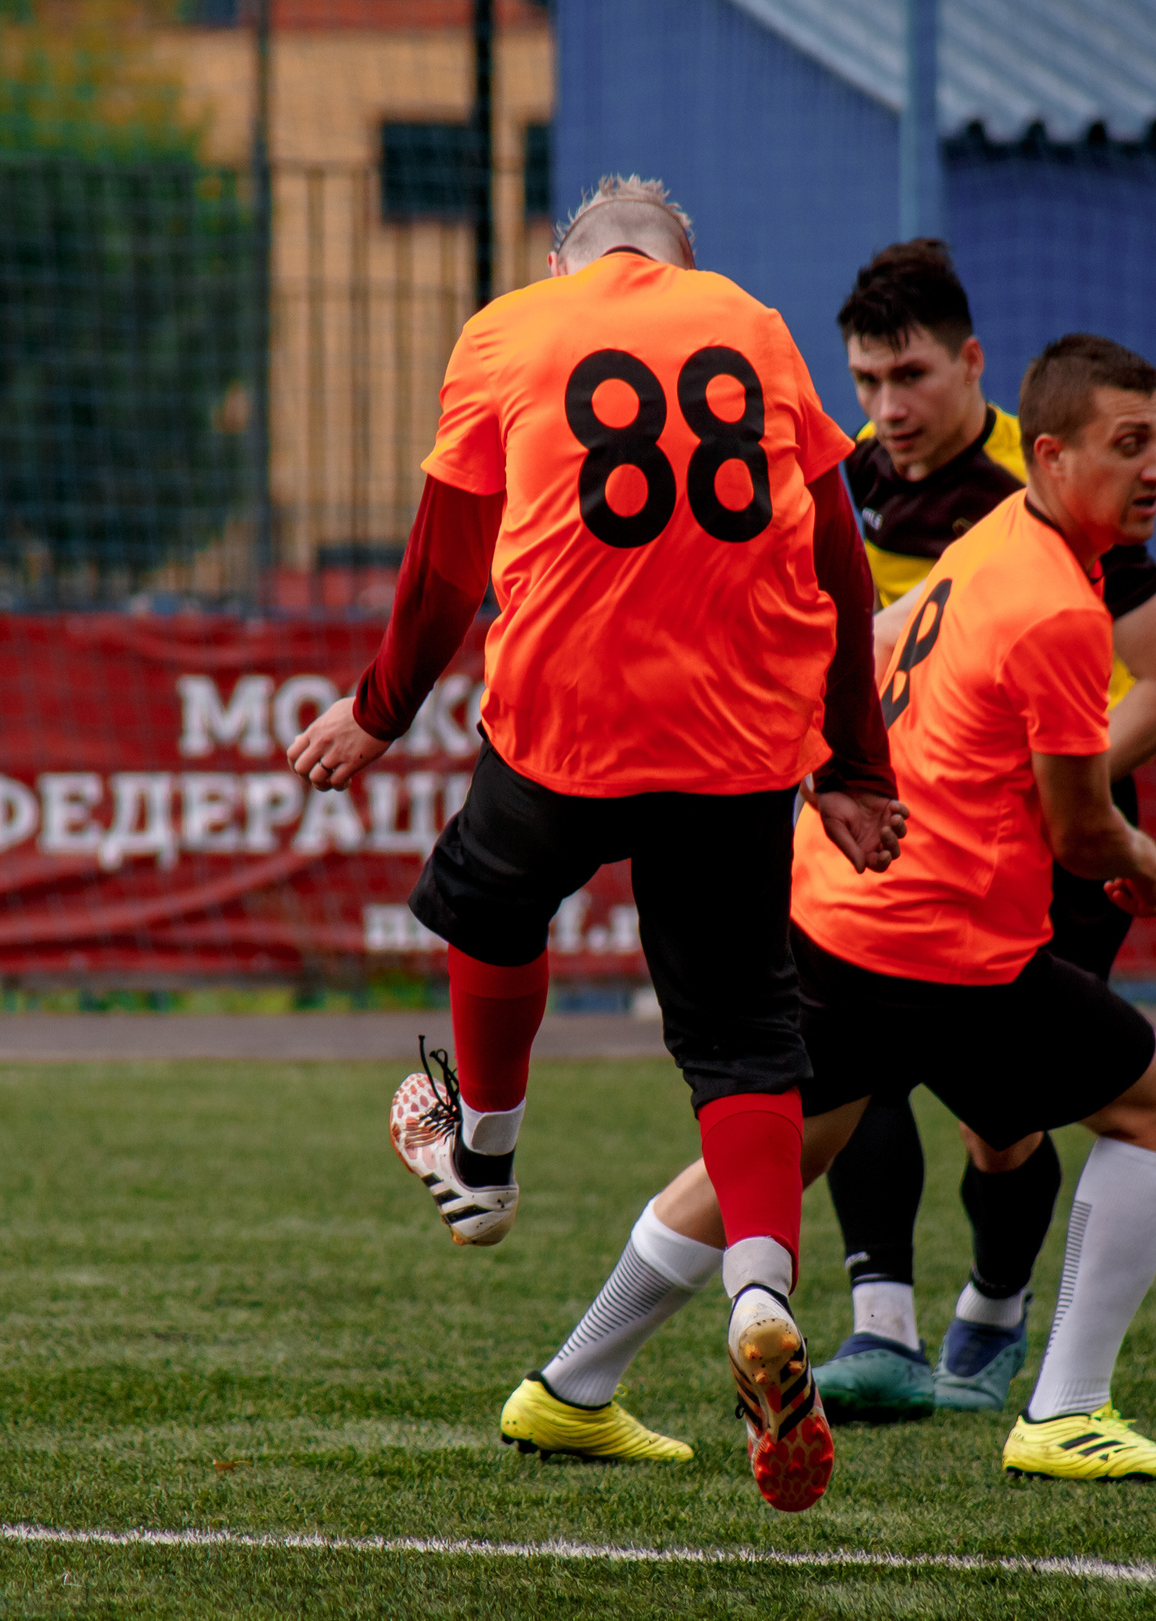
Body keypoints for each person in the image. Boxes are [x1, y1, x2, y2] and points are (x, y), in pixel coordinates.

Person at [285, 177, 904, 1513]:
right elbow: (842, 567)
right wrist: (856, 765)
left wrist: (377, 710)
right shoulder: (751, 321)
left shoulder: (511, 328)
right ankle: (755, 1295)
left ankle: (488, 1161)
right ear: (691, 259)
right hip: (737, 737)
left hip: (563, 721)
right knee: (744, 1038)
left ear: (566, 256)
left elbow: (448, 564)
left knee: (488, 908)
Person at [506, 334, 1156, 1484]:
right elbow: (1084, 828)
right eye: (1129, 445)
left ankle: (569, 1389)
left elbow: (878, 647)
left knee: (778, 1154)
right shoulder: (1054, 608)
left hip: (839, 916)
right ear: (1049, 455)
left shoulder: (997, 540)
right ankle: (1065, 1411)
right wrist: (1141, 859)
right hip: (938, 946)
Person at [817, 242, 1156, 1424]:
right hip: (908, 842)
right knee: (860, 1062)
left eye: (912, 376)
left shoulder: (1050, 480)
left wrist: (1051, 800)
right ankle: (880, 1325)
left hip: (1047, 843)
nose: (887, 407)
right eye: (867, 380)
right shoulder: (847, 484)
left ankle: (991, 1311)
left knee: (1004, 1119)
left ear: (973, 366)